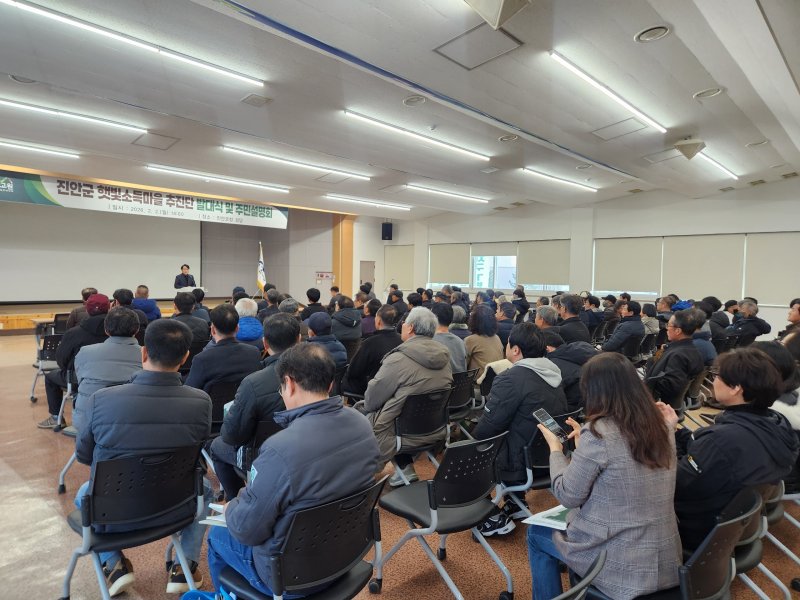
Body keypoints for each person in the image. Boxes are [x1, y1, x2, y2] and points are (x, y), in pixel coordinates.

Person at [206, 344, 380, 595]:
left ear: (289, 383)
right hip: (347, 554)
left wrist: (232, 507)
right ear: (330, 384)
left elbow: (247, 529)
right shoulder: (361, 424)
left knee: (217, 536)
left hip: (289, 573)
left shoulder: (280, 449)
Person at [75, 319, 213, 595]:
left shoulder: (102, 400)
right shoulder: (201, 401)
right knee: (206, 490)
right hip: (176, 504)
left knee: (83, 494)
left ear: (144, 353)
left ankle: (114, 564)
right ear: (186, 357)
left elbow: (84, 455)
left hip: (113, 510)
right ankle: (184, 566)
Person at [528, 353, 682, 599]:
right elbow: (623, 469)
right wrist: (583, 448)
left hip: (616, 559)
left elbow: (568, 495)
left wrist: (556, 451)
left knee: (536, 533)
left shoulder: (599, 433)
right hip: (664, 555)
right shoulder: (662, 425)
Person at [660, 347, 799, 550]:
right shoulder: (779, 425)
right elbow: (713, 459)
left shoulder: (722, 440)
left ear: (736, 388)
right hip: (731, 526)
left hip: (694, 531)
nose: (714, 380)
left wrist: (666, 436)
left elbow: (676, 482)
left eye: (717, 376)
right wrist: (675, 430)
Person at [474, 323, 568, 536]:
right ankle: (515, 503)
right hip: (550, 457)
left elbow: (487, 430)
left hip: (520, 463)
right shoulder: (553, 374)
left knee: (468, 452)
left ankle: (490, 517)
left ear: (515, 350)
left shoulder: (510, 379)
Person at [210, 313, 301, 499]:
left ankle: (236, 500)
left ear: (265, 344)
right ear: (299, 340)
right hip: (305, 452)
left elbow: (233, 436)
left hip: (259, 457)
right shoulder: (318, 374)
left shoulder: (253, 383)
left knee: (217, 445)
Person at [363, 307, 453, 485]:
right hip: (433, 428)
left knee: (363, 414)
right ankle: (405, 468)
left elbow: (371, 401)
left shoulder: (398, 359)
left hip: (398, 432)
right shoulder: (444, 358)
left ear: (410, 328)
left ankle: (358, 475)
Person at [39, 293, 109, 429]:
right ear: (109, 309)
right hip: (113, 380)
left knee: (50, 377)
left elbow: (61, 360)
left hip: (78, 379)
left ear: (87, 309)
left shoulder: (74, 333)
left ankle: (56, 417)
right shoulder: (116, 331)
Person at [72, 307, 143, 433]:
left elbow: (80, 379)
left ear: (106, 330)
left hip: (87, 421)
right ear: (137, 330)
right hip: (130, 423)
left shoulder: (85, 352)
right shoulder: (147, 355)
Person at [185, 304, 262, 391]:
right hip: (245, 403)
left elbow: (190, 390)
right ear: (237, 329)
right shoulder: (254, 353)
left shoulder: (202, 359)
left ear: (212, 330)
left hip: (211, 404)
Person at [644, 309, 704, 407]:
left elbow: (670, 386)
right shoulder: (691, 350)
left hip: (660, 405)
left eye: (669, 325)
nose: (667, 328)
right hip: (672, 403)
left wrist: (649, 376)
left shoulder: (678, 355)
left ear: (678, 330)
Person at [341, 305, 402, 397]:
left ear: (378, 321)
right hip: (397, 387)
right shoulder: (403, 340)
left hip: (372, 389)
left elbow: (354, 371)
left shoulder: (370, 343)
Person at [544, 330, 597, 412]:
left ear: (547, 349)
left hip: (566, 411)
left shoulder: (552, 365)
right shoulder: (578, 353)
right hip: (588, 405)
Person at [465, 304, 504, 377]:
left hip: (477, 384)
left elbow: (463, 364)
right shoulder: (496, 338)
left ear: (474, 320)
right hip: (495, 381)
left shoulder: (470, 340)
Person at [431, 302, 467, 374]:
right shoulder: (460, 341)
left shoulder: (430, 341)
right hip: (460, 383)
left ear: (435, 317)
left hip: (442, 383)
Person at [330, 295, 363, 360]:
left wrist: (336, 312)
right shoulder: (359, 320)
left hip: (338, 360)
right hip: (354, 359)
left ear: (338, 307)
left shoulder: (332, 323)